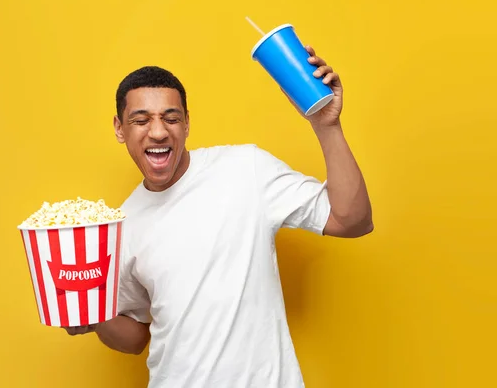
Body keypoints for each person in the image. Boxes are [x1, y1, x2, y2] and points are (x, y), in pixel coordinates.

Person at [65, 46, 374, 387]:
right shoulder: (120, 226)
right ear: (120, 128)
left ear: (186, 124)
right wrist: (93, 316)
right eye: (140, 120)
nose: (157, 132)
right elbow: (136, 337)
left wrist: (326, 125)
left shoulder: (245, 169)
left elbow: (352, 220)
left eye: (171, 118)